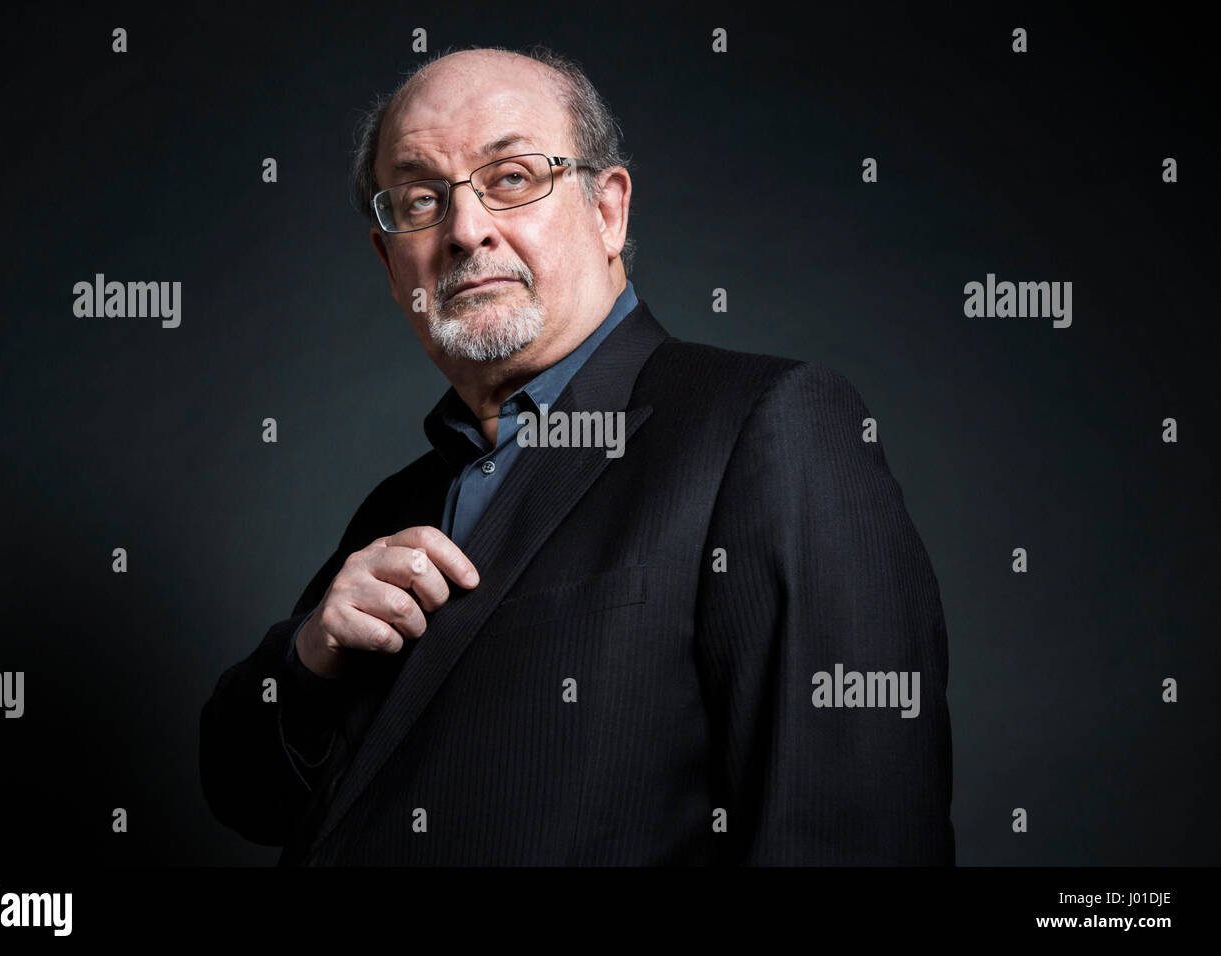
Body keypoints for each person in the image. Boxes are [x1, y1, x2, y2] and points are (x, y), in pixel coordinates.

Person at [199, 44, 955, 866]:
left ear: (609, 213)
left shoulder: (767, 426)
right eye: (420, 200)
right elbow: (245, 795)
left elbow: (848, 831)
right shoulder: (393, 511)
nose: (465, 229)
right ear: (390, 263)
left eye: (512, 178)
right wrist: (310, 660)